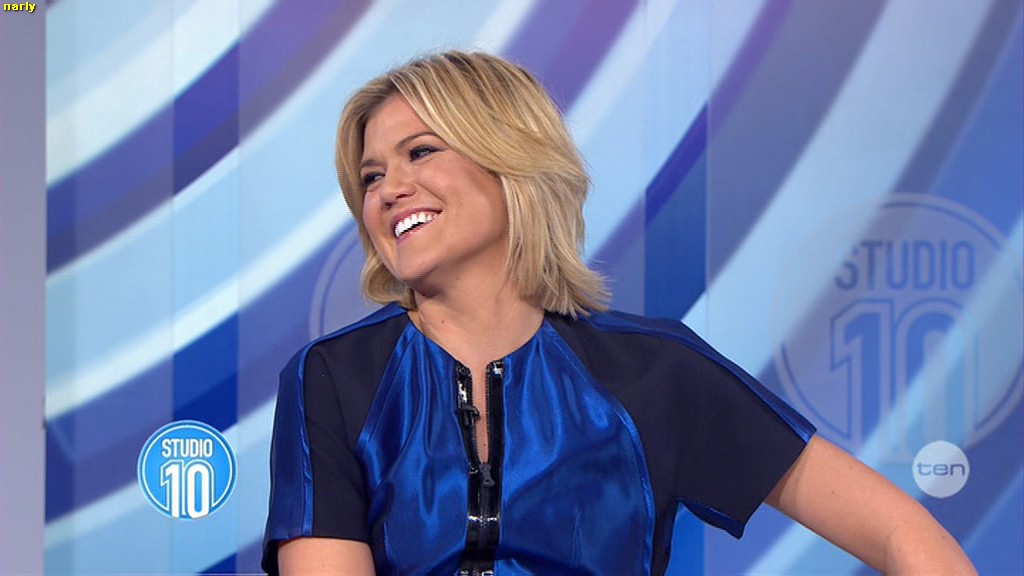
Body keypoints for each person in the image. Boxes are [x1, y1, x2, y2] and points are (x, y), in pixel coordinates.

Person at [262, 50, 975, 575]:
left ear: (510, 160)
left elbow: (905, 536)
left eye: (420, 152)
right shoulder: (330, 377)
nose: (389, 190)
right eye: (371, 176)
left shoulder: (656, 369)